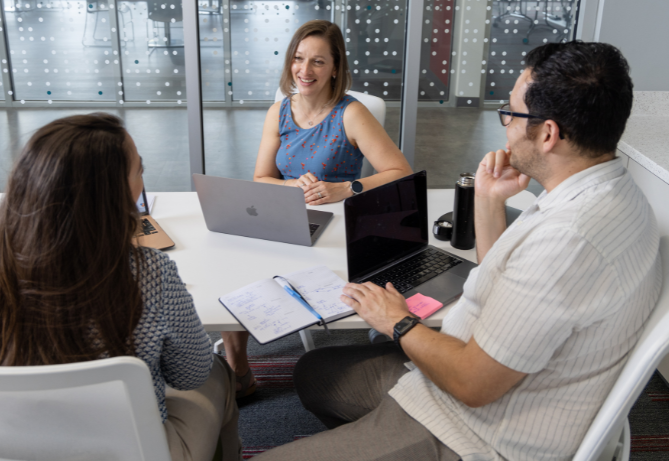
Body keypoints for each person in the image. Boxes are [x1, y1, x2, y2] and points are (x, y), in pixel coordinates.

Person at [253, 41, 662, 461]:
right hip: (472, 372)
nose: (505, 123)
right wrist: (487, 202)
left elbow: (472, 384)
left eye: (511, 113)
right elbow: (503, 277)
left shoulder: (568, 241)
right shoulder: (613, 195)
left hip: (475, 428)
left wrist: (397, 321)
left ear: (548, 133)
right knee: (314, 373)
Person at [0, 114, 241, 461]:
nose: (143, 181)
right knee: (217, 372)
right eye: (139, 170)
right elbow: (191, 374)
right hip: (131, 451)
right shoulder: (149, 273)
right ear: (112, 194)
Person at [225, 19, 413, 397]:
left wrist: (346, 188)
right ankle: (240, 371)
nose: (304, 71)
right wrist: (292, 184)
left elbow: (400, 173)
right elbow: (261, 179)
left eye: (318, 62)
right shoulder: (278, 112)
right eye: (298, 59)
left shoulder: (352, 114)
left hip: (339, 225)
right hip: (288, 218)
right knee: (233, 273)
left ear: (336, 68)